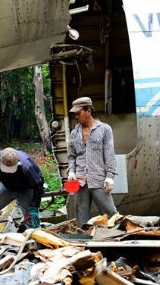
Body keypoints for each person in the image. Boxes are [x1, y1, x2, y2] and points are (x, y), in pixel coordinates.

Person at [67, 96, 118, 227]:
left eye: (78, 113)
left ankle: (114, 241)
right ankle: (84, 243)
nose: (76, 117)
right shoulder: (74, 133)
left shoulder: (104, 129)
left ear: (88, 111)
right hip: (80, 181)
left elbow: (109, 154)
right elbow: (72, 156)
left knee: (111, 216)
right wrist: (71, 171)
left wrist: (110, 176)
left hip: (98, 180)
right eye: (75, 114)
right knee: (81, 220)